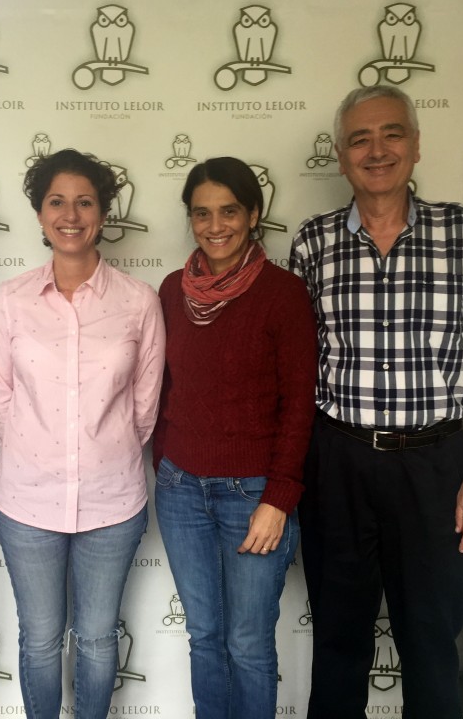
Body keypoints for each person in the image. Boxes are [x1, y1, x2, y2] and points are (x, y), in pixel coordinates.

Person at [290, 86, 463, 719]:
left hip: (436, 467)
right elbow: (293, 370)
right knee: (338, 644)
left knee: (429, 646)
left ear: (417, 145)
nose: (377, 150)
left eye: (392, 134)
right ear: (341, 156)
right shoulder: (312, 245)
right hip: (337, 465)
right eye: (359, 139)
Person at [0, 149, 165, 719]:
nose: (70, 214)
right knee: (38, 640)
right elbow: (3, 401)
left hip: (113, 501)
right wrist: (47, 459)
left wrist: (97, 457)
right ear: (39, 215)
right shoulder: (10, 302)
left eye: (84, 201)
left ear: (103, 214)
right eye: (56, 201)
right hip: (27, 501)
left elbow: (143, 407)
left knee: (96, 637)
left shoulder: (139, 302)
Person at [153, 157, 317, 719]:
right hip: (179, 490)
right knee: (204, 636)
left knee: (247, 644)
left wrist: (278, 498)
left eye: (228, 211)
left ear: (253, 214)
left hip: (252, 494)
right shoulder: (174, 290)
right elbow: (162, 387)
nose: (214, 224)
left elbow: (299, 405)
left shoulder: (283, 293)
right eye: (202, 213)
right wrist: (163, 465)